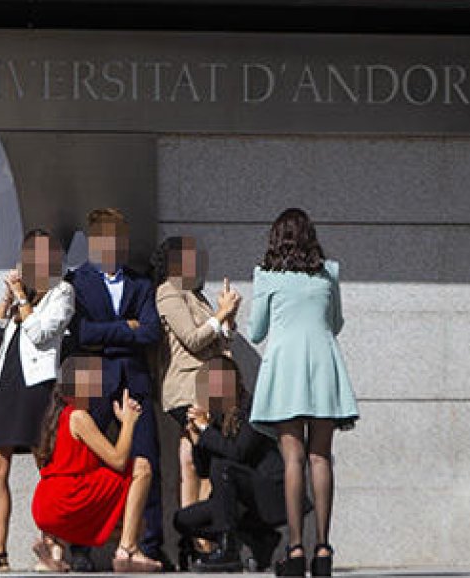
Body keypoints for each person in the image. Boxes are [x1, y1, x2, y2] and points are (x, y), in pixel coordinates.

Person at [247, 208, 359, 578]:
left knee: (292, 458)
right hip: (324, 365)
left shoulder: (266, 275)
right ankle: (323, 549)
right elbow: (336, 322)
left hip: (286, 369)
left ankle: (295, 549)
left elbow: (257, 330)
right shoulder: (330, 272)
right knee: (321, 457)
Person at [67, 208, 167, 571]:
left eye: (118, 241)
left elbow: (151, 332)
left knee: (147, 462)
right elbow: (80, 334)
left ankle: (151, 546)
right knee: (85, 465)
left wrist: (107, 332)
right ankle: (80, 549)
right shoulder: (76, 282)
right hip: (94, 382)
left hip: (135, 384)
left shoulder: (142, 284)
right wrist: (126, 327)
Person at [0, 230, 75, 572]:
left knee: (47, 469)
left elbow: (40, 334)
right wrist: (8, 298)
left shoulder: (63, 292)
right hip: (8, 381)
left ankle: (53, 548)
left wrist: (22, 299)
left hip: (39, 385)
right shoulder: (26, 293)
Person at [150, 236, 240, 568]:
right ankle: (197, 537)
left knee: (195, 460)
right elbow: (191, 337)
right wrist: (220, 315)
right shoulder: (168, 292)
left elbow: (218, 339)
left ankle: (197, 539)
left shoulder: (194, 293)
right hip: (187, 388)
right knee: (196, 462)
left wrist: (227, 318)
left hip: (208, 388)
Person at [31, 356, 160, 573]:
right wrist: (128, 423)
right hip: (70, 497)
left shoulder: (56, 416)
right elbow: (118, 461)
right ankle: (127, 550)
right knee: (142, 467)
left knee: (138, 524)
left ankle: (54, 549)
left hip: (46, 504)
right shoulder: (78, 416)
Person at [172, 358, 286, 573]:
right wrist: (198, 437)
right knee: (183, 520)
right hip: (236, 499)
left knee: (225, 467)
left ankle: (228, 550)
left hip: (269, 493)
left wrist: (207, 431)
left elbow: (237, 453)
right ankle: (259, 537)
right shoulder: (217, 417)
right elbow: (204, 470)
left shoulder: (252, 409)